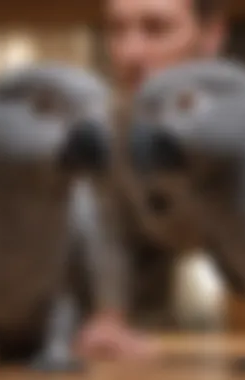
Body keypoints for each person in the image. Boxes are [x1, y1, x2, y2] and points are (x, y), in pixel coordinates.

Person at [79, 0, 228, 360]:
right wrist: (109, 317)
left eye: (157, 28)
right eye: (116, 30)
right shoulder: (108, 132)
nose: (129, 52)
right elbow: (111, 232)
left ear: (211, 36)